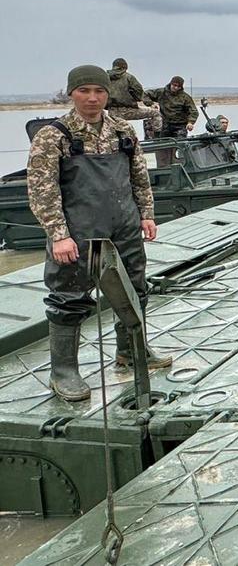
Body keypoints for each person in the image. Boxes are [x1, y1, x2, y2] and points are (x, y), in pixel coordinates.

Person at [28, 65, 172, 401]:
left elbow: (139, 176)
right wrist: (57, 233)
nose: (92, 98)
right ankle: (63, 372)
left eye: (99, 91)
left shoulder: (122, 130)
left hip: (123, 227)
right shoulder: (54, 136)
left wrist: (146, 215)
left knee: (134, 289)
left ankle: (131, 352)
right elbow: (42, 190)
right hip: (78, 233)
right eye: (84, 91)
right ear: (71, 93)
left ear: (107, 94)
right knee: (69, 298)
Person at [105, 58, 160, 139]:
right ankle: (157, 139)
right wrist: (135, 98)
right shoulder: (128, 77)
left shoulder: (106, 78)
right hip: (128, 110)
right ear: (125, 67)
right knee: (155, 113)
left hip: (111, 112)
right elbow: (139, 92)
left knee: (119, 131)